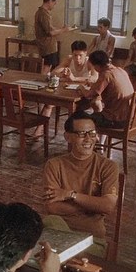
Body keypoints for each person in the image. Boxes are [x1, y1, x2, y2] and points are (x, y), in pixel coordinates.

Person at [43, 110, 119, 257]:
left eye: (92, 133)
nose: (88, 139)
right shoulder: (54, 165)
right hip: (59, 231)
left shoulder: (108, 166)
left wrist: (70, 195)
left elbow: (107, 206)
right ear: (68, 137)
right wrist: (93, 206)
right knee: (51, 220)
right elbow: (52, 207)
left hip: (92, 240)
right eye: (82, 134)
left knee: (55, 252)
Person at [35, 40, 99, 136]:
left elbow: (95, 78)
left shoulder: (89, 62)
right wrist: (62, 73)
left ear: (86, 53)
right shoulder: (69, 59)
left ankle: (73, 135)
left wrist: (75, 79)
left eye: (80, 55)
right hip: (68, 92)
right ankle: (38, 131)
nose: (77, 58)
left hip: (83, 95)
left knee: (76, 108)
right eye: (75, 55)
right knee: (48, 104)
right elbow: (53, 72)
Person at [82, 50, 134, 129]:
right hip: (129, 118)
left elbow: (89, 95)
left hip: (115, 120)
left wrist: (81, 88)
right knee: (96, 112)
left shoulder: (105, 74)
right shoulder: (121, 70)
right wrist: (93, 84)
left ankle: (90, 136)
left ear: (97, 66)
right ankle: (98, 136)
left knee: (79, 118)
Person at [34, 0, 76, 73]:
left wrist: (62, 29)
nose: (54, 5)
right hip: (47, 46)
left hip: (47, 45)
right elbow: (50, 32)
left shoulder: (41, 12)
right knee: (47, 66)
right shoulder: (43, 14)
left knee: (48, 66)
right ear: (50, 1)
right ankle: (43, 80)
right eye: (54, 3)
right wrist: (64, 30)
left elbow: (50, 28)